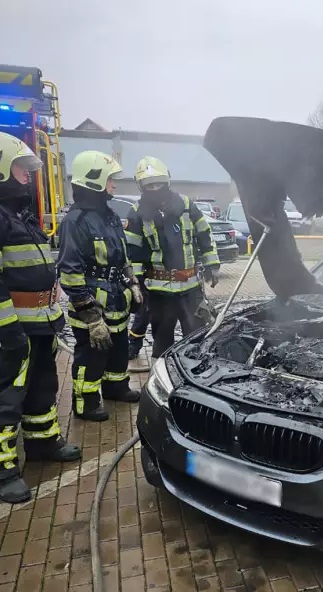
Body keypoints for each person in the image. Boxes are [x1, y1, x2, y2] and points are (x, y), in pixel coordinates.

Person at [0, 132, 81, 503]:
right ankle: (4, 471)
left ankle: (43, 442)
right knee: (7, 396)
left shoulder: (19, 215)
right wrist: (9, 331)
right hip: (13, 329)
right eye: (21, 167)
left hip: (39, 324)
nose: (28, 175)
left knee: (42, 386)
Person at [57, 150, 143, 422]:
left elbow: (123, 255)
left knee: (118, 351)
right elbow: (70, 272)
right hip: (92, 307)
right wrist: (91, 317)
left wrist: (132, 282)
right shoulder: (75, 222)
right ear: (94, 181)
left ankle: (116, 388)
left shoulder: (110, 216)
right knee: (91, 357)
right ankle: (86, 403)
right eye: (109, 180)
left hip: (117, 300)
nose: (114, 185)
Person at [125, 156, 219, 363]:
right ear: (141, 187)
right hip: (159, 293)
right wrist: (137, 283)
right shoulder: (137, 212)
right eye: (149, 186)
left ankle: (195, 373)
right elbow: (132, 252)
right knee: (162, 344)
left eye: (158, 183)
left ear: (167, 181)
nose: (155, 189)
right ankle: (161, 376)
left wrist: (212, 264)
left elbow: (204, 233)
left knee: (196, 341)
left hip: (190, 289)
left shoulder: (185, 204)